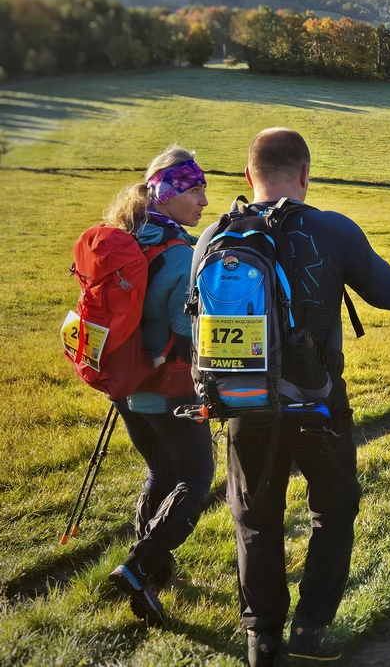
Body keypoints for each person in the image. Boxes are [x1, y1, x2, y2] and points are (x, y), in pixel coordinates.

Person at [190, 128, 390, 666]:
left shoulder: (214, 237)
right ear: (305, 175)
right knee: (333, 512)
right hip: (320, 403)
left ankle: (262, 638)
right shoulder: (332, 230)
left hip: (244, 401)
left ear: (247, 176)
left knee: (256, 518)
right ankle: (311, 631)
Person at [104, 147, 213, 627]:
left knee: (161, 473)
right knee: (195, 478)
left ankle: (151, 571)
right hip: (171, 388)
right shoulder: (180, 255)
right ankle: (139, 566)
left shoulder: (125, 241)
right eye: (195, 190)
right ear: (168, 193)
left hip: (127, 388)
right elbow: (185, 329)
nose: (204, 201)